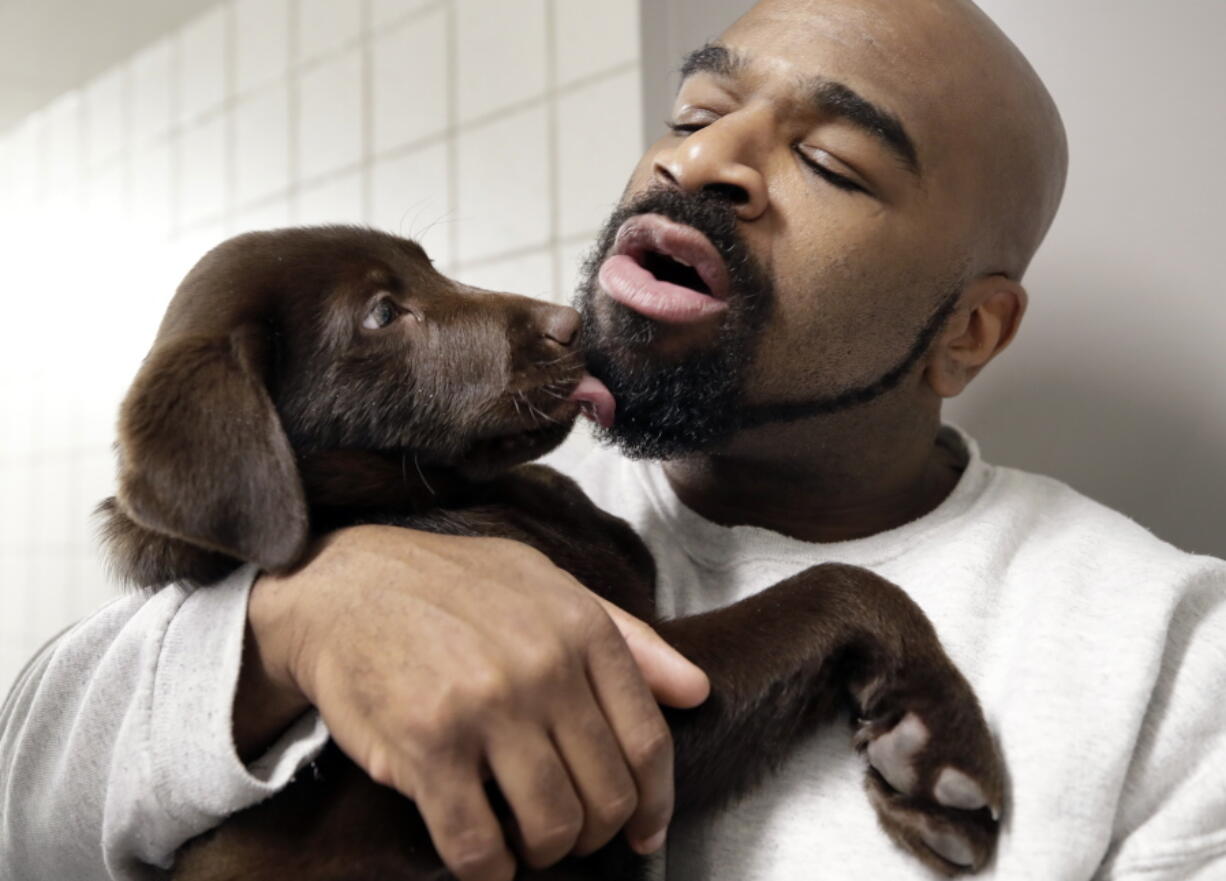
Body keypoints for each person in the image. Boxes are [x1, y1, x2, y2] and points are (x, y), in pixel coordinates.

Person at [3, 0, 1224, 878]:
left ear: (965, 333)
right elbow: (24, 806)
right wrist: (292, 619)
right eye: (695, 110)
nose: (703, 161)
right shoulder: (482, 466)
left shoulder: (1170, 652)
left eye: (826, 159)